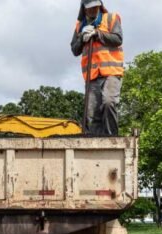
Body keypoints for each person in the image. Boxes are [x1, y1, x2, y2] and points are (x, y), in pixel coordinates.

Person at [70, 0, 123, 136]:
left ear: (100, 5)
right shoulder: (79, 26)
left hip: (111, 73)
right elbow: (75, 50)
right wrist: (82, 38)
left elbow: (118, 39)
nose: (93, 10)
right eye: (90, 8)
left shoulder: (111, 18)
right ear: (84, 9)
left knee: (108, 102)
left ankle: (112, 139)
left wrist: (97, 33)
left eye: (96, 7)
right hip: (92, 76)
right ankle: (95, 147)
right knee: (91, 115)